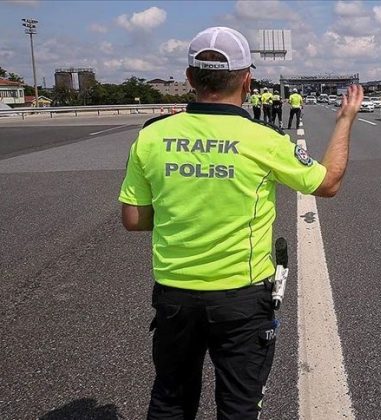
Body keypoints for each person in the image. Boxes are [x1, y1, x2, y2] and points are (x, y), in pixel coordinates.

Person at [118, 26, 363, 420]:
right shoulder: (263, 140)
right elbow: (327, 182)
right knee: (238, 406)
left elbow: (133, 218)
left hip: (175, 296)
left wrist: (183, 210)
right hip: (241, 297)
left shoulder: (152, 136)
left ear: (189, 78)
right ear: (247, 80)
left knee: (170, 399)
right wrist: (345, 120)